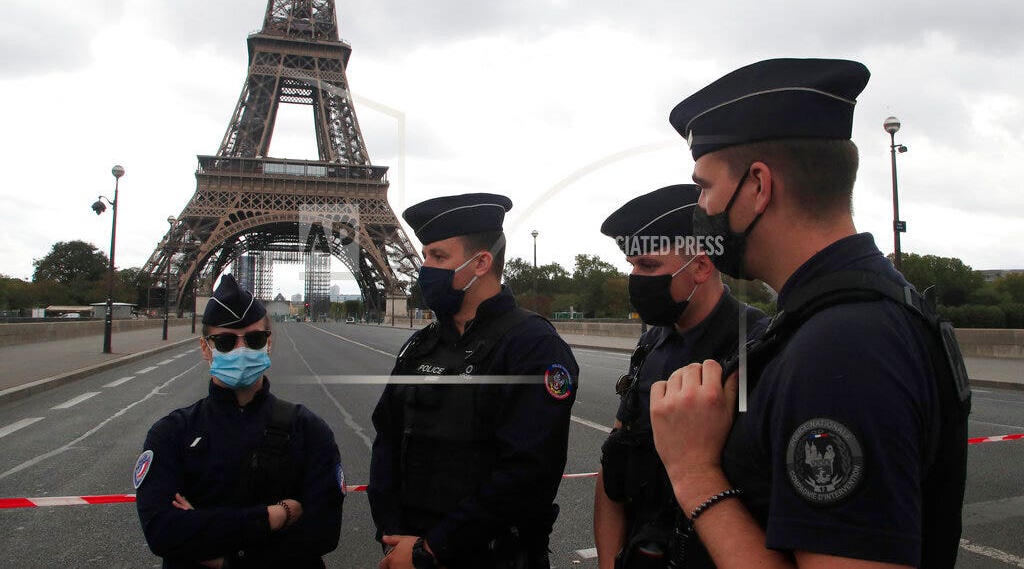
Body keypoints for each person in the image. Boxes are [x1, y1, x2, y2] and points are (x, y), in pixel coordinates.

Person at [648, 58, 970, 567]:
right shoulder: (839, 314)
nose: (701, 207)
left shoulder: (845, 344)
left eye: (706, 187)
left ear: (758, 186)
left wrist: (693, 473)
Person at [368, 193, 579, 569]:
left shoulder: (533, 346)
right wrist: (393, 538)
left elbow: (527, 473)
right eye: (425, 256)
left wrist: (431, 549)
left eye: (438, 257)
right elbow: (386, 439)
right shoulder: (422, 345)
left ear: (481, 262)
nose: (425, 268)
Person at [593, 184, 768, 568]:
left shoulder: (757, 348)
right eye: (633, 266)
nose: (636, 279)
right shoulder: (652, 343)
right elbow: (614, 469)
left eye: (649, 266)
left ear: (702, 267)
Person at [135, 274, 344, 568]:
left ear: (268, 343)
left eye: (254, 339)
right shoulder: (170, 434)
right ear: (205, 348)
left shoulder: (310, 430)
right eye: (225, 342)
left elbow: (323, 533)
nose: (241, 349)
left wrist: (220, 553)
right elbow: (163, 532)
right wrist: (276, 516)